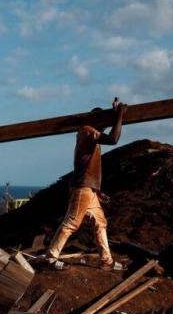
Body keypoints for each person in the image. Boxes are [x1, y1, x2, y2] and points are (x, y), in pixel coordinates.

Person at [46, 99, 127, 270]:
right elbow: (114, 139)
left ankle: (107, 261)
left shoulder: (92, 135)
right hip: (82, 187)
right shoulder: (87, 131)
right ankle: (51, 258)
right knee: (71, 223)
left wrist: (96, 191)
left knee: (100, 222)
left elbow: (108, 136)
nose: (104, 127)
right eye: (103, 122)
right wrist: (120, 113)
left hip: (88, 189)